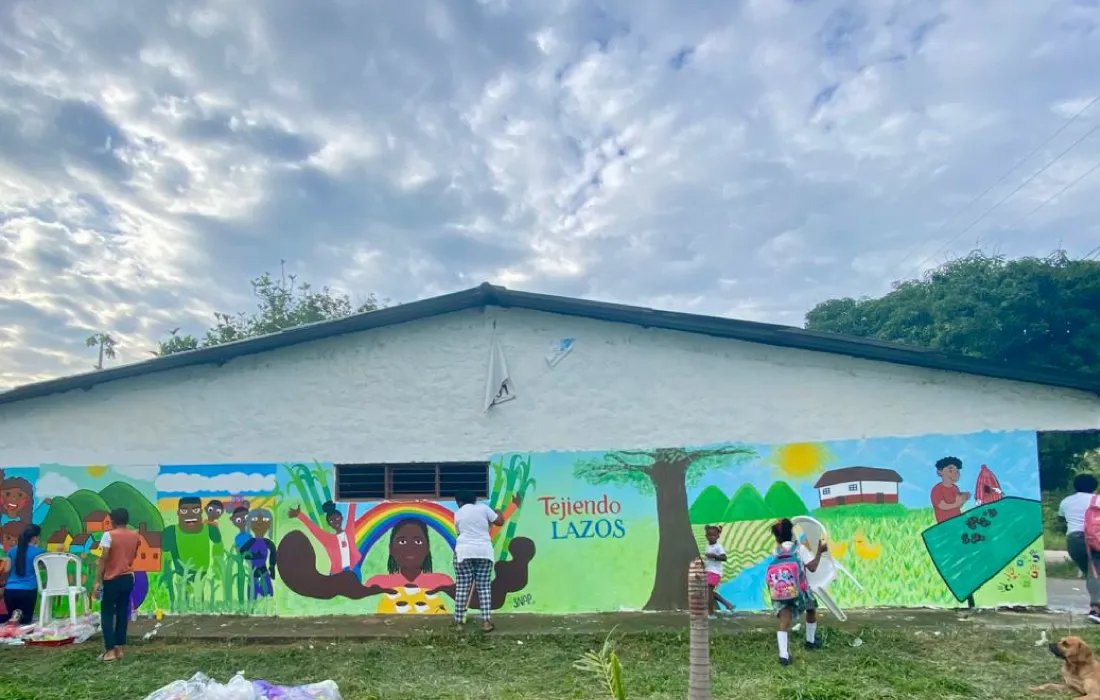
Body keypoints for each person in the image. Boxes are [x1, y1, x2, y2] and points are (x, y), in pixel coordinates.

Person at [769, 518, 826, 666]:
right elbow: (812, 567)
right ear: (792, 533)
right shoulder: (799, 549)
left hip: (781, 591)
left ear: (777, 538)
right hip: (800, 590)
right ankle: (810, 641)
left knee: (784, 620)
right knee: (811, 610)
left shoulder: (776, 551)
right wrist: (819, 551)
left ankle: (783, 655)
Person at [452, 490, 504, 631]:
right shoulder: (484, 508)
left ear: (460, 502)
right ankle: (486, 622)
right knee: (484, 587)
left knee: (462, 587)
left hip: (464, 552)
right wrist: (498, 511)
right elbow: (500, 521)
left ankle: (458, 622)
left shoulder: (458, 513)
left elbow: (459, 533)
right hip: (484, 552)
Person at [94, 508, 140, 662]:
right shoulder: (135, 535)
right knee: (122, 612)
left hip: (112, 579)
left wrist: (97, 580)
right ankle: (119, 648)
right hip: (128, 578)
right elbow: (133, 556)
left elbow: (104, 558)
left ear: (112, 521)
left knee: (107, 613)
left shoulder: (108, 535)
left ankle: (110, 651)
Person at [1059, 473, 1100, 624]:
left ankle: (1096, 607)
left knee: (1092, 573)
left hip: (1074, 541)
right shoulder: (1098, 499)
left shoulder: (1066, 501)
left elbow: (1061, 520)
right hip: (1095, 539)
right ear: (1095, 486)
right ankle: (1095, 610)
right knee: (1095, 573)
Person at [289, 501, 360, 575]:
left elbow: (351, 513)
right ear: (329, 524)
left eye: (337, 518)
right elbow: (314, 529)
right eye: (331, 521)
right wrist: (299, 515)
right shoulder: (328, 539)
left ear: (342, 518)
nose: (335, 522)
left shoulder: (349, 532)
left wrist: (353, 497)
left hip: (353, 569)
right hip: (337, 574)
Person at [1, 524, 42, 624]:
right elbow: (44, 567)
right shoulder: (39, 552)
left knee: (13, 621)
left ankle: (15, 616)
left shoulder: (12, 551)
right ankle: (19, 615)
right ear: (35, 538)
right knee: (25, 622)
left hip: (10, 592)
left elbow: (6, 569)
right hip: (27, 591)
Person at [241, 509, 277, 599]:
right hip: (253, 571)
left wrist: (272, 567)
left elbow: (273, 552)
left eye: (265, 519)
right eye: (254, 519)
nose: (260, 523)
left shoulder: (268, 542)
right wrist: (251, 556)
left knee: (268, 593)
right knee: (252, 594)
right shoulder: (251, 542)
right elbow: (242, 551)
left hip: (264, 570)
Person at [703, 525, 734, 617]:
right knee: (708, 591)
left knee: (708, 592)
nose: (711, 537)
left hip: (715, 572)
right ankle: (727, 604)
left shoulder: (718, 546)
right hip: (709, 571)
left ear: (718, 536)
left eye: (714, 535)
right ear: (706, 536)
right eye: (709, 535)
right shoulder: (708, 546)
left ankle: (710, 613)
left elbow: (724, 558)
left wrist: (714, 556)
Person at [931, 456, 970, 523]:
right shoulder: (937, 489)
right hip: (945, 523)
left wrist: (964, 499)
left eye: (957, 471)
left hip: (957, 520)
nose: (955, 473)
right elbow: (942, 506)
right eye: (951, 470)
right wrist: (958, 503)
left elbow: (958, 506)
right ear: (940, 472)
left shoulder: (955, 488)